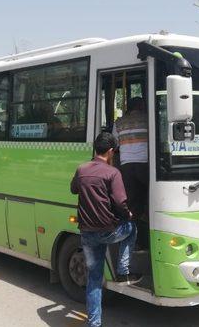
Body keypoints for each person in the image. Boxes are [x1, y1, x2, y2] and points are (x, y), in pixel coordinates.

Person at [70, 132, 141, 327]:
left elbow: (73, 189)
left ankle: (94, 323)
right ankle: (122, 270)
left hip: (87, 233)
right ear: (110, 151)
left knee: (94, 279)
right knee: (132, 228)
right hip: (108, 231)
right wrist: (128, 214)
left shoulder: (82, 169)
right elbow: (120, 201)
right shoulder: (113, 173)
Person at [112, 97, 149, 247]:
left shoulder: (119, 123)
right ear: (141, 106)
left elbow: (115, 145)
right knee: (147, 200)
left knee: (131, 204)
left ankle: (131, 241)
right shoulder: (148, 119)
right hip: (145, 165)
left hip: (126, 166)